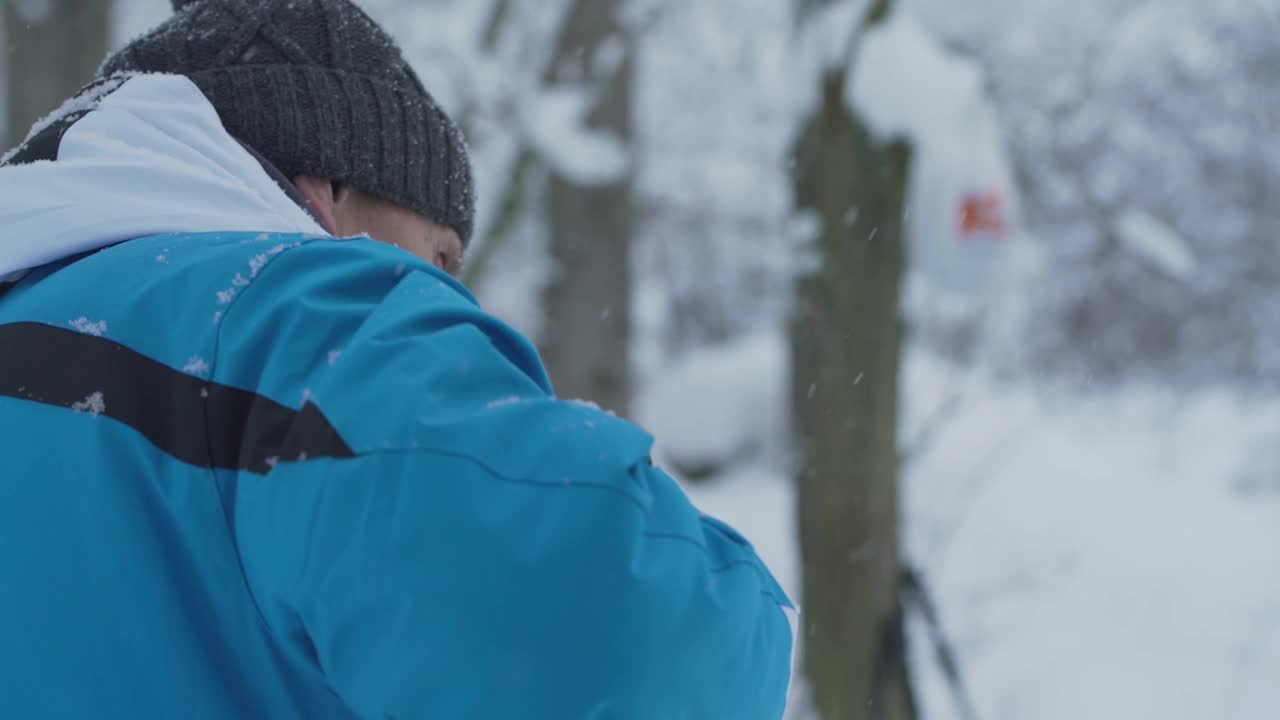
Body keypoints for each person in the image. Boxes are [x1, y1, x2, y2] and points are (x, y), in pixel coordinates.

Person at [0, 1, 796, 718]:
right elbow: (635, 636)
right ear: (331, 190)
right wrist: (756, 606)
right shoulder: (295, 317)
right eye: (443, 256)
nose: (455, 292)